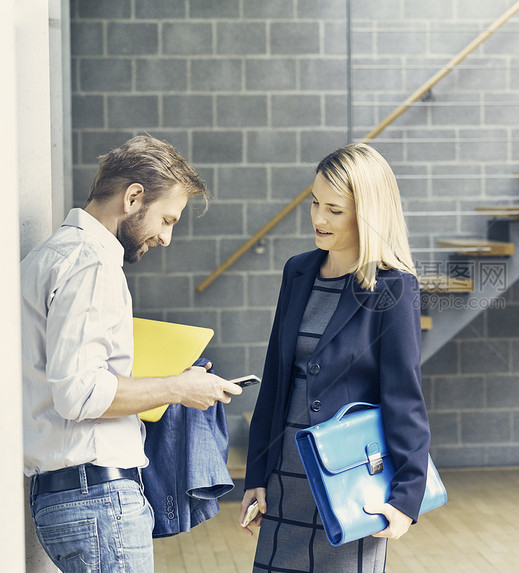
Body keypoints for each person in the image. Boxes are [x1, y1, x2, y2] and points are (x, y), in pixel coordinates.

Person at [20, 135, 243, 572]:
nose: (166, 237)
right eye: (166, 219)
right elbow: (80, 394)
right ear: (134, 197)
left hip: (70, 495)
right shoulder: (91, 264)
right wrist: (179, 388)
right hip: (97, 498)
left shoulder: (49, 256)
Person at [240, 143, 430, 572]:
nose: (319, 219)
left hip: (349, 485)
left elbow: (404, 397)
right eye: (314, 203)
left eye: (334, 209)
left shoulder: (393, 288)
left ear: (367, 214)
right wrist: (256, 475)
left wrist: (405, 497)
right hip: (286, 474)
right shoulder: (298, 271)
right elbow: (275, 378)